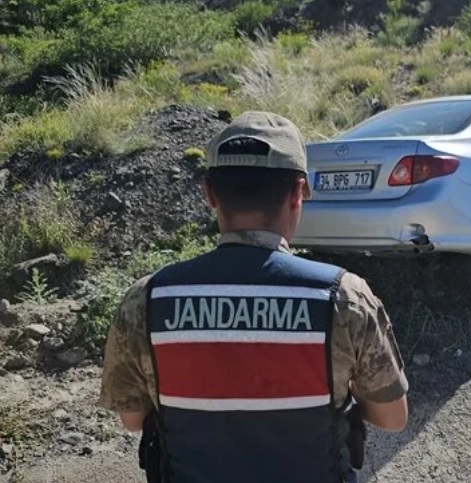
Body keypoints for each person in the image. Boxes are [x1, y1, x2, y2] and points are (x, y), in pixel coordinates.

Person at [98, 111, 409, 483]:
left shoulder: (146, 300)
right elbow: (393, 418)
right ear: (297, 193)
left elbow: (132, 419)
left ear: (209, 194)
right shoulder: (344, 298)